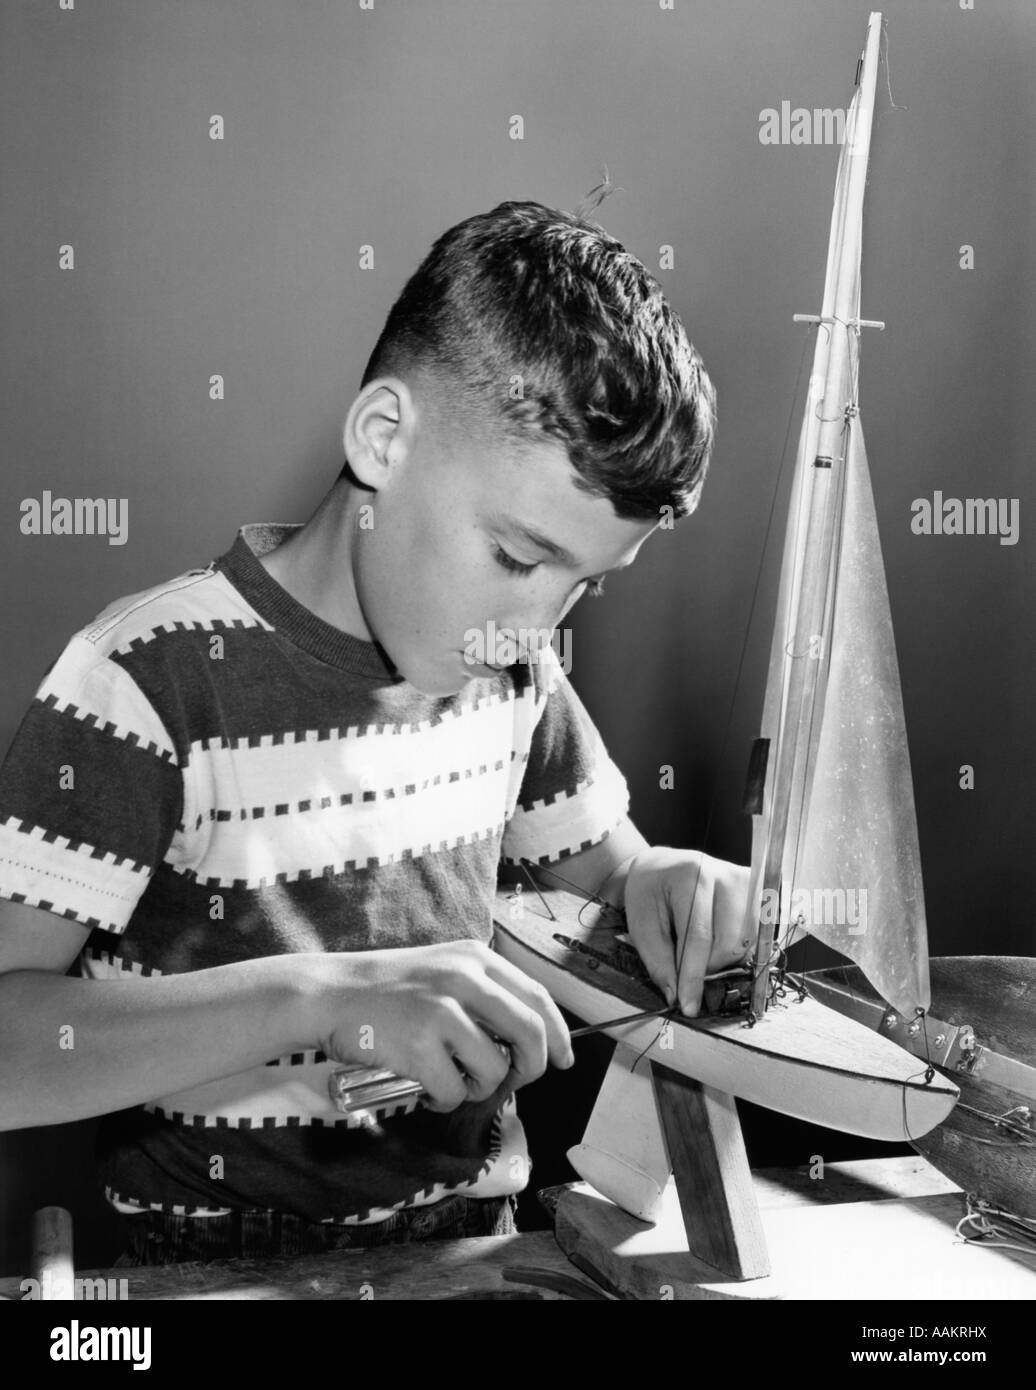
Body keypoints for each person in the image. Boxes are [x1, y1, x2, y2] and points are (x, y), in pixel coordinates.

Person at [0, 198, 749, 1264]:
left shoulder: (515, 672)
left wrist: (657, 886)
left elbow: (605, 881)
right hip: (210, 1269)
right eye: (515, 557)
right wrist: (323, 997)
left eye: (583, 585)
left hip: (482, 1250)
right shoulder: (144, 681)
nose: (530, 629)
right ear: (383, 439)